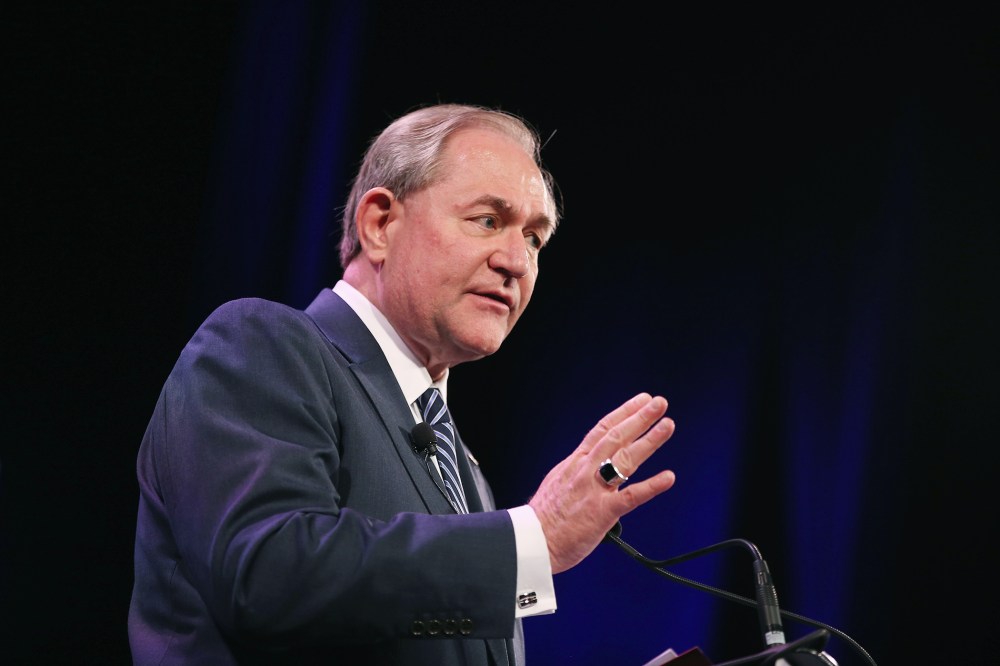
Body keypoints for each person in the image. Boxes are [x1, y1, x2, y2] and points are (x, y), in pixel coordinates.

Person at [128, 102, 678, 665]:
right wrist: (533, 537)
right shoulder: (260, 345)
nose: (517, 261)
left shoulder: (463, 468)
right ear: (380, 225)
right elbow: (268, 575)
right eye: (488, 220)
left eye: (535, 239)